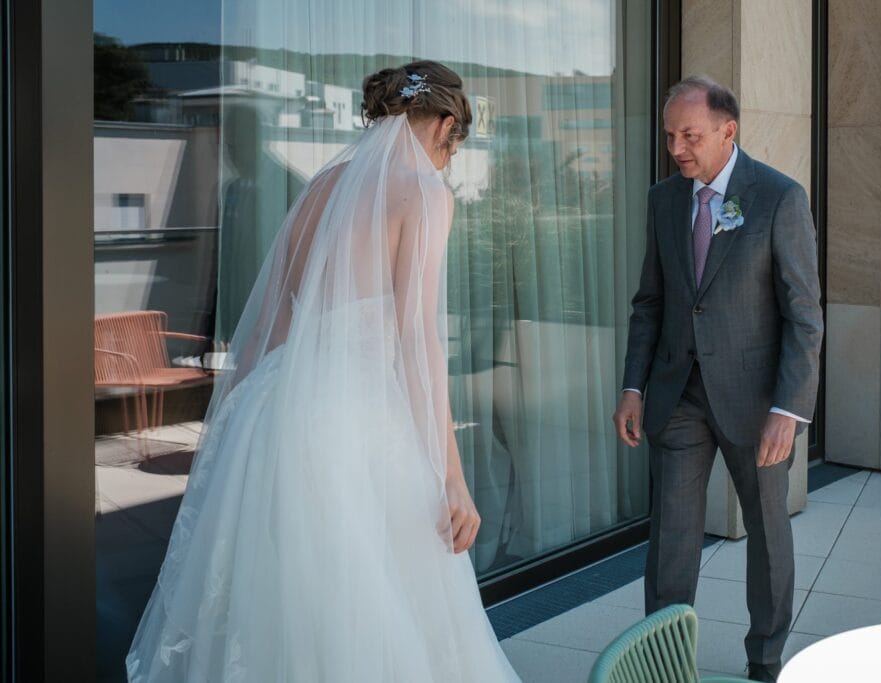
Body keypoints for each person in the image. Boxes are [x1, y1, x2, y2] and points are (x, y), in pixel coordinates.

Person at [126, 61, 520, 682]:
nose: (447, 159)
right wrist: (451, 474)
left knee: (283, 603)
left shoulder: (321, 186)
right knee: (368, 602)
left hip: (273, 409)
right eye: (453, 143)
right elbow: (418, 339)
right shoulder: (420, 191)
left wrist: (232, 421)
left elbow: (270, 326)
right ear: (444, 124)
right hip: (354, 418)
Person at [612, 76, 823, 683]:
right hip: (677, 395)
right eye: (671, 135)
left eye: (691, 135)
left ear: (728, 132)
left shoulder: (780, 198)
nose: (677, 147)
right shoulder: (664, 199)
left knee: (766, 530)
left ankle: (766, 657)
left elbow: (805, 315)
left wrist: (790, 408)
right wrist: (633, 386)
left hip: (756, 403)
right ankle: (663, 659)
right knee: (672, 535)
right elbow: (649, 302)